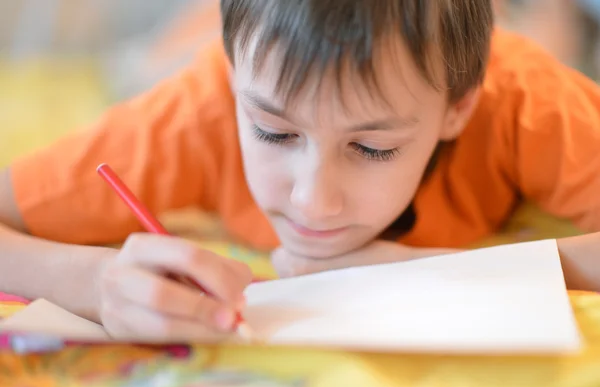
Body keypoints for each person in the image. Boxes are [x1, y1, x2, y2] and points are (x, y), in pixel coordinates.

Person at [1, 0, 599, 341]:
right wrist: (94, 282)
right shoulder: (194, 113)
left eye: (372, 148)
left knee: (548, 27)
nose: (313, 203)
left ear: (457, 110)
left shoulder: (524, 100)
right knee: (146, 65)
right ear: (236, 81)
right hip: (189, 54)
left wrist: (436, 271)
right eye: (273, 133)